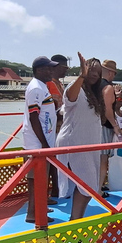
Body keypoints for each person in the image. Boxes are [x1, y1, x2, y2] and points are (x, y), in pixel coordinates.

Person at [56, 53, 104, 220]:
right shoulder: (75, 87)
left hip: (89, 144)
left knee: (89, 186)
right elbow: (69, 99)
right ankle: (75, 220)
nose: (94, 75)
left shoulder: (93, 93)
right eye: (91, 70)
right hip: (75, 142)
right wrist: (81, 76)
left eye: (98, 73)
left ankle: (76, 218)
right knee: (87, 185)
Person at [22, 56, 59, 223]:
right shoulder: (36, 88)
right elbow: (34, 117)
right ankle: (34, 213)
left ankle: (39, 206)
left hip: (43, 140)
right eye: (48, 68)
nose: (51, 71)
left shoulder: (42, 87)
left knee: (40, 178)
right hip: (36, 143)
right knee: (35, 179)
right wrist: (43, 144)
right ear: (38, 70)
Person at [97, 59, 122, 196]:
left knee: (97, 157)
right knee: (103, 158)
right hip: (104, 126)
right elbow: (107, 110)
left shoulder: (95, 85)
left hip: (94, 124)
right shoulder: (107, 87)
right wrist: (115, 126)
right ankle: (99, 188)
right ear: (111, 73)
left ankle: (96, 185)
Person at [47, 54, 69, 196]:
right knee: (52, 161)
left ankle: (59, 188)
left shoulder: (60, 84)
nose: (66, 71)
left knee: (59, 160)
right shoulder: (48, 84)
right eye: (64, 67)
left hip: (61, 127)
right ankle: (55, 189)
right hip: (52, 128)